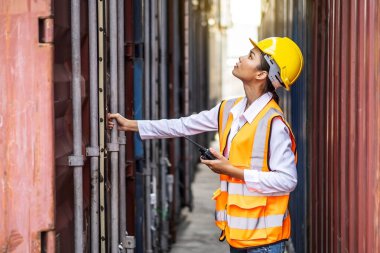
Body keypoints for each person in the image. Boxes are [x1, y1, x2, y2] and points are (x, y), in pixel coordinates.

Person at [108, 36, 303, 253]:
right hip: (239, 238)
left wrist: (231, 170)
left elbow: (288, 180)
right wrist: (131, 125)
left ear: (261, 74)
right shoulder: (230, 109)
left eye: (250, 56)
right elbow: (182, 126)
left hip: (266, 244)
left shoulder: (274, 124)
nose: (240, 58)